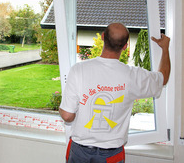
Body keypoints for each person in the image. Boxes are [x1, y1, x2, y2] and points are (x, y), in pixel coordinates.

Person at [59, 23, 170, 163]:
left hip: (79, 151)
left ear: (103, 37)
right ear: (125, 46)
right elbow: (163, 78)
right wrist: (165, 48)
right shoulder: (133, 76)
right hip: (111, 154)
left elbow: (67, 116)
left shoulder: (78, 70)